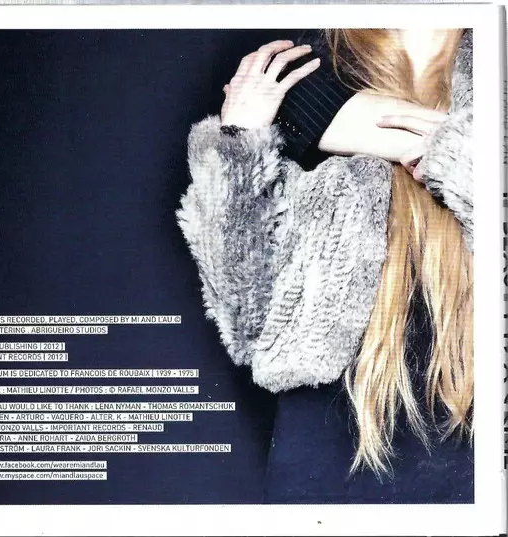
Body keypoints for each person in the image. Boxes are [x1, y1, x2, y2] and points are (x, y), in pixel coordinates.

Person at [176, 28, 473, 503]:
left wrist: (460, 157)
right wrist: (237, 146)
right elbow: (246, 312)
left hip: (471, 437)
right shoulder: (309, 66)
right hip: (331, 444)